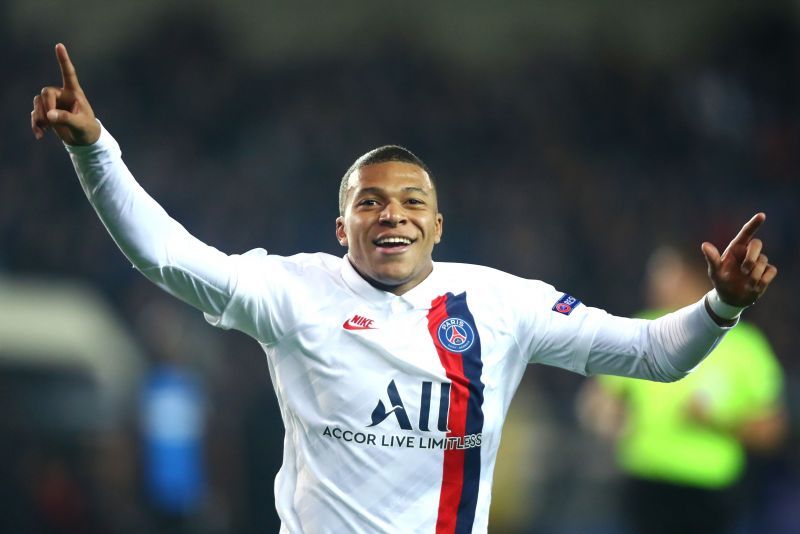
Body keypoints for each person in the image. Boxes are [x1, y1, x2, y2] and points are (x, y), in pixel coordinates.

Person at [31, 43, 778, 533]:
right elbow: (167, 255)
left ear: (439, 226)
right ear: (341, 227)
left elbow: (652, 353)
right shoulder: (293, 291)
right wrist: (96, 151)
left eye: (412, 201)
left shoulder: (502, 304)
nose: (392, 213)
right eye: (370, 201)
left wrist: (722, 307)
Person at [578, 245, 786, 534]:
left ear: (696, 279)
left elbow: (772, 432)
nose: (655, 287)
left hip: (708, 491)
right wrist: (607, 417)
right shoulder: (644, 326)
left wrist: (717, 422)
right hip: (645, 483)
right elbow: (597, 401)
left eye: (666, 277)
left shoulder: (745, 345)